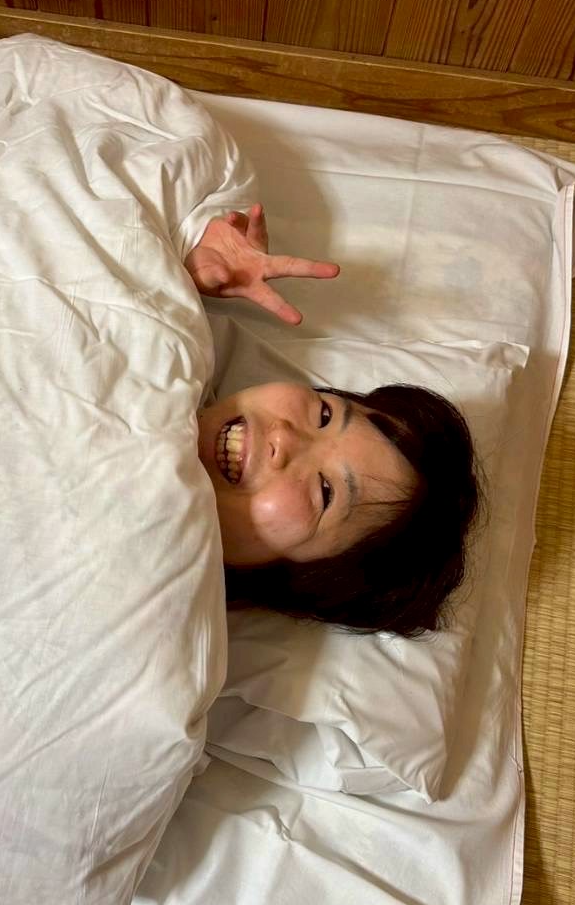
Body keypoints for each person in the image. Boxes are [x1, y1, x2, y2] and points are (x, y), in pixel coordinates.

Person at [183, 205, 481, 638]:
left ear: (300, 577)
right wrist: (178, 269)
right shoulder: (181, 347)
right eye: (325, 416)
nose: (285, 436)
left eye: (326, 492)